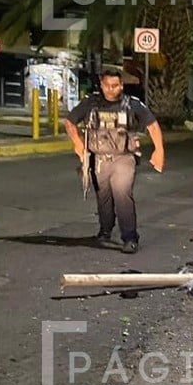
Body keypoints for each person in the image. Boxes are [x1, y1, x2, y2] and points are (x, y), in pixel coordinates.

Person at [64, 68, 165, 253]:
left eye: (115, 85)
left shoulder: (132, 104)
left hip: (124, 158)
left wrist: (159, 151)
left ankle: (130, 237)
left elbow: (153, 125)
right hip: (99, 159)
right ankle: (105, 230)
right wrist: (78, 144)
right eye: (107, 85)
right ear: (101, 85)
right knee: (104, 197)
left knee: (122, 194)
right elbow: (69, 122)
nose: (111, 89)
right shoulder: (90, 103)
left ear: (121, 85)